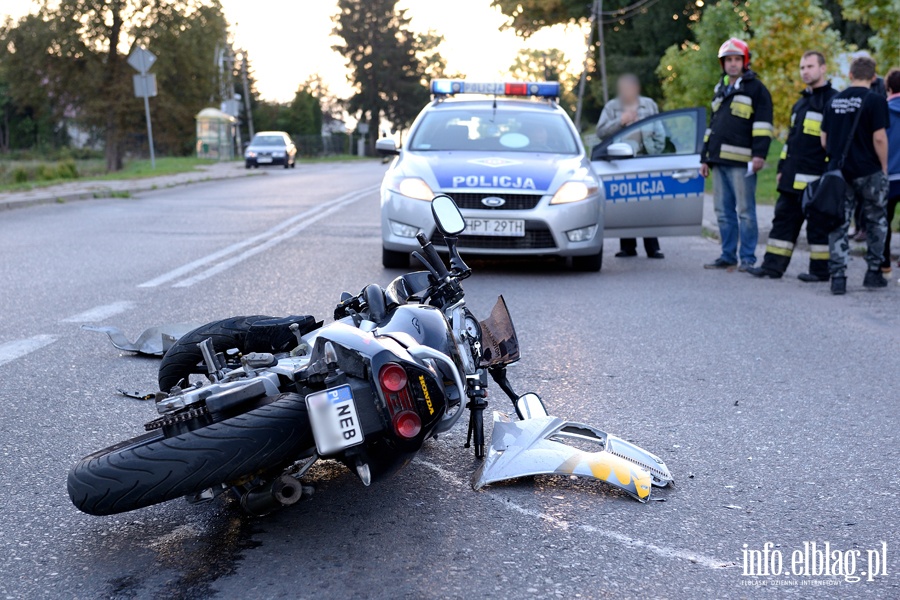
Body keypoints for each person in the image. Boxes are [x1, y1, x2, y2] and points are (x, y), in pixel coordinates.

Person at [747, 51, 837, 281]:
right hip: (791, 177)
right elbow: (790, 142)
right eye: (802, 68)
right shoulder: (800, 104)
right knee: (783, 222)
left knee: (818, 226)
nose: (805, 71)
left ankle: (820, 271)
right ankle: (772, 267)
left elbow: (835, 144)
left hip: (816, 179)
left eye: (809, 66)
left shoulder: (832, 101)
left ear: (823, 68)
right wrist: (780, 169)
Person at [700, 38, 774, 271]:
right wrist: (705, 157)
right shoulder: (719, 90)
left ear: (745, 62)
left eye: (737, 59)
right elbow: (713, 127)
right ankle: (727, 255)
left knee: (745, 212)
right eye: (728, 60)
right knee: (722, 211)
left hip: (744, 163)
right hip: (719, 161)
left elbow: (763, 126)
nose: (732, 64)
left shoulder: (757, 89)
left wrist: (759, 155)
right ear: (722, 64)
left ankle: (748, 258)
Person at [821, 55, 890, 295]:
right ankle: (873, 273)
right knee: (876, 221)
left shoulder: (833, 101)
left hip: (839, 173)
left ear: (850, 75)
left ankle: (838, 278)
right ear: (873, 77)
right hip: (868, 170)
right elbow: (879, 137)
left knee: (839, 222)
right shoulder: (875, 100)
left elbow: (824, 140)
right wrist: (883, 167)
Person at [596, 74, 665, 259]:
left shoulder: (649, 105)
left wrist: (655, 154)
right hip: (622, 162)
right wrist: (620, 121)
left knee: (649, 205)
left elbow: (660, 132)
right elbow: (601, 132)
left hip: (646, 161)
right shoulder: (612, 107)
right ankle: (627, 247)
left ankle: (653, 247)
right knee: (626, 203)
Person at [881, 68, 900, 275]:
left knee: (884, 220)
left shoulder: (883, 111)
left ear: (888, 88)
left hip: (888, 174)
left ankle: (884, 263)